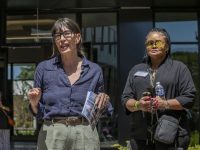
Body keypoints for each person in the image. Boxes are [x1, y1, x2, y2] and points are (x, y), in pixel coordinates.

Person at [27, 18, 111, 150]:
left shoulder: (94, 71)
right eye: (57, 35)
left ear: (77, 38)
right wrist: (34, 102)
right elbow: (39, 113)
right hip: (53, 133)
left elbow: (101, 110)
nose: (61, 39)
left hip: (84, 133)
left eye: (66, 34)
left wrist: (104, 101)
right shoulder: (43, 69)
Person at [121, 28, 196, 150]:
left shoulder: (179, 69)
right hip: (141, 138)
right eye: (150, 43)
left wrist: (165, 104)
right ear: (146, 47)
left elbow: (189, 98)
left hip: (171, 137)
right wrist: (138, 105)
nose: (154, 45)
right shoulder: (136, 70)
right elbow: (125, 99)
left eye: (158, 42)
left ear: (167, 47)